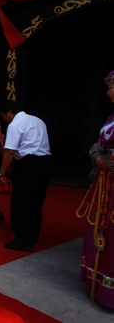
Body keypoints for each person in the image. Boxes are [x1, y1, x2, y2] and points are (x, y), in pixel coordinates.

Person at [76, 70, 114, 308]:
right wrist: (96, 154)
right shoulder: (111, 117)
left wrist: (106, 160)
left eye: (111, 87)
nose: (108, 92)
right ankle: (97, 284)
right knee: (100, 230)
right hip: (105, 184)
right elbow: (98, 144)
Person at [0, 100, 52, 252]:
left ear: (9, 112)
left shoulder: (15, 125)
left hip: (29, 165)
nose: (4, 120)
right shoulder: (38, 121)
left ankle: (22, 240)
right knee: (36, 201)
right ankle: (33, 236)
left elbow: (9, 151)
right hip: (45, 163)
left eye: (4, 116)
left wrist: (2, 172)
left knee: (20, 202)